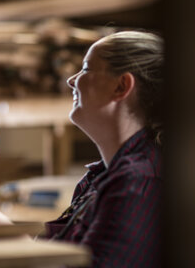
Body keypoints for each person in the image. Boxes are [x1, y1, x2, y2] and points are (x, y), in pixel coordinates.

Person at [44, 31, 163, 267]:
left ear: (121, 86)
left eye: (86, 69)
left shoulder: (138, 181)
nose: (71, 80)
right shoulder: (100, 176)